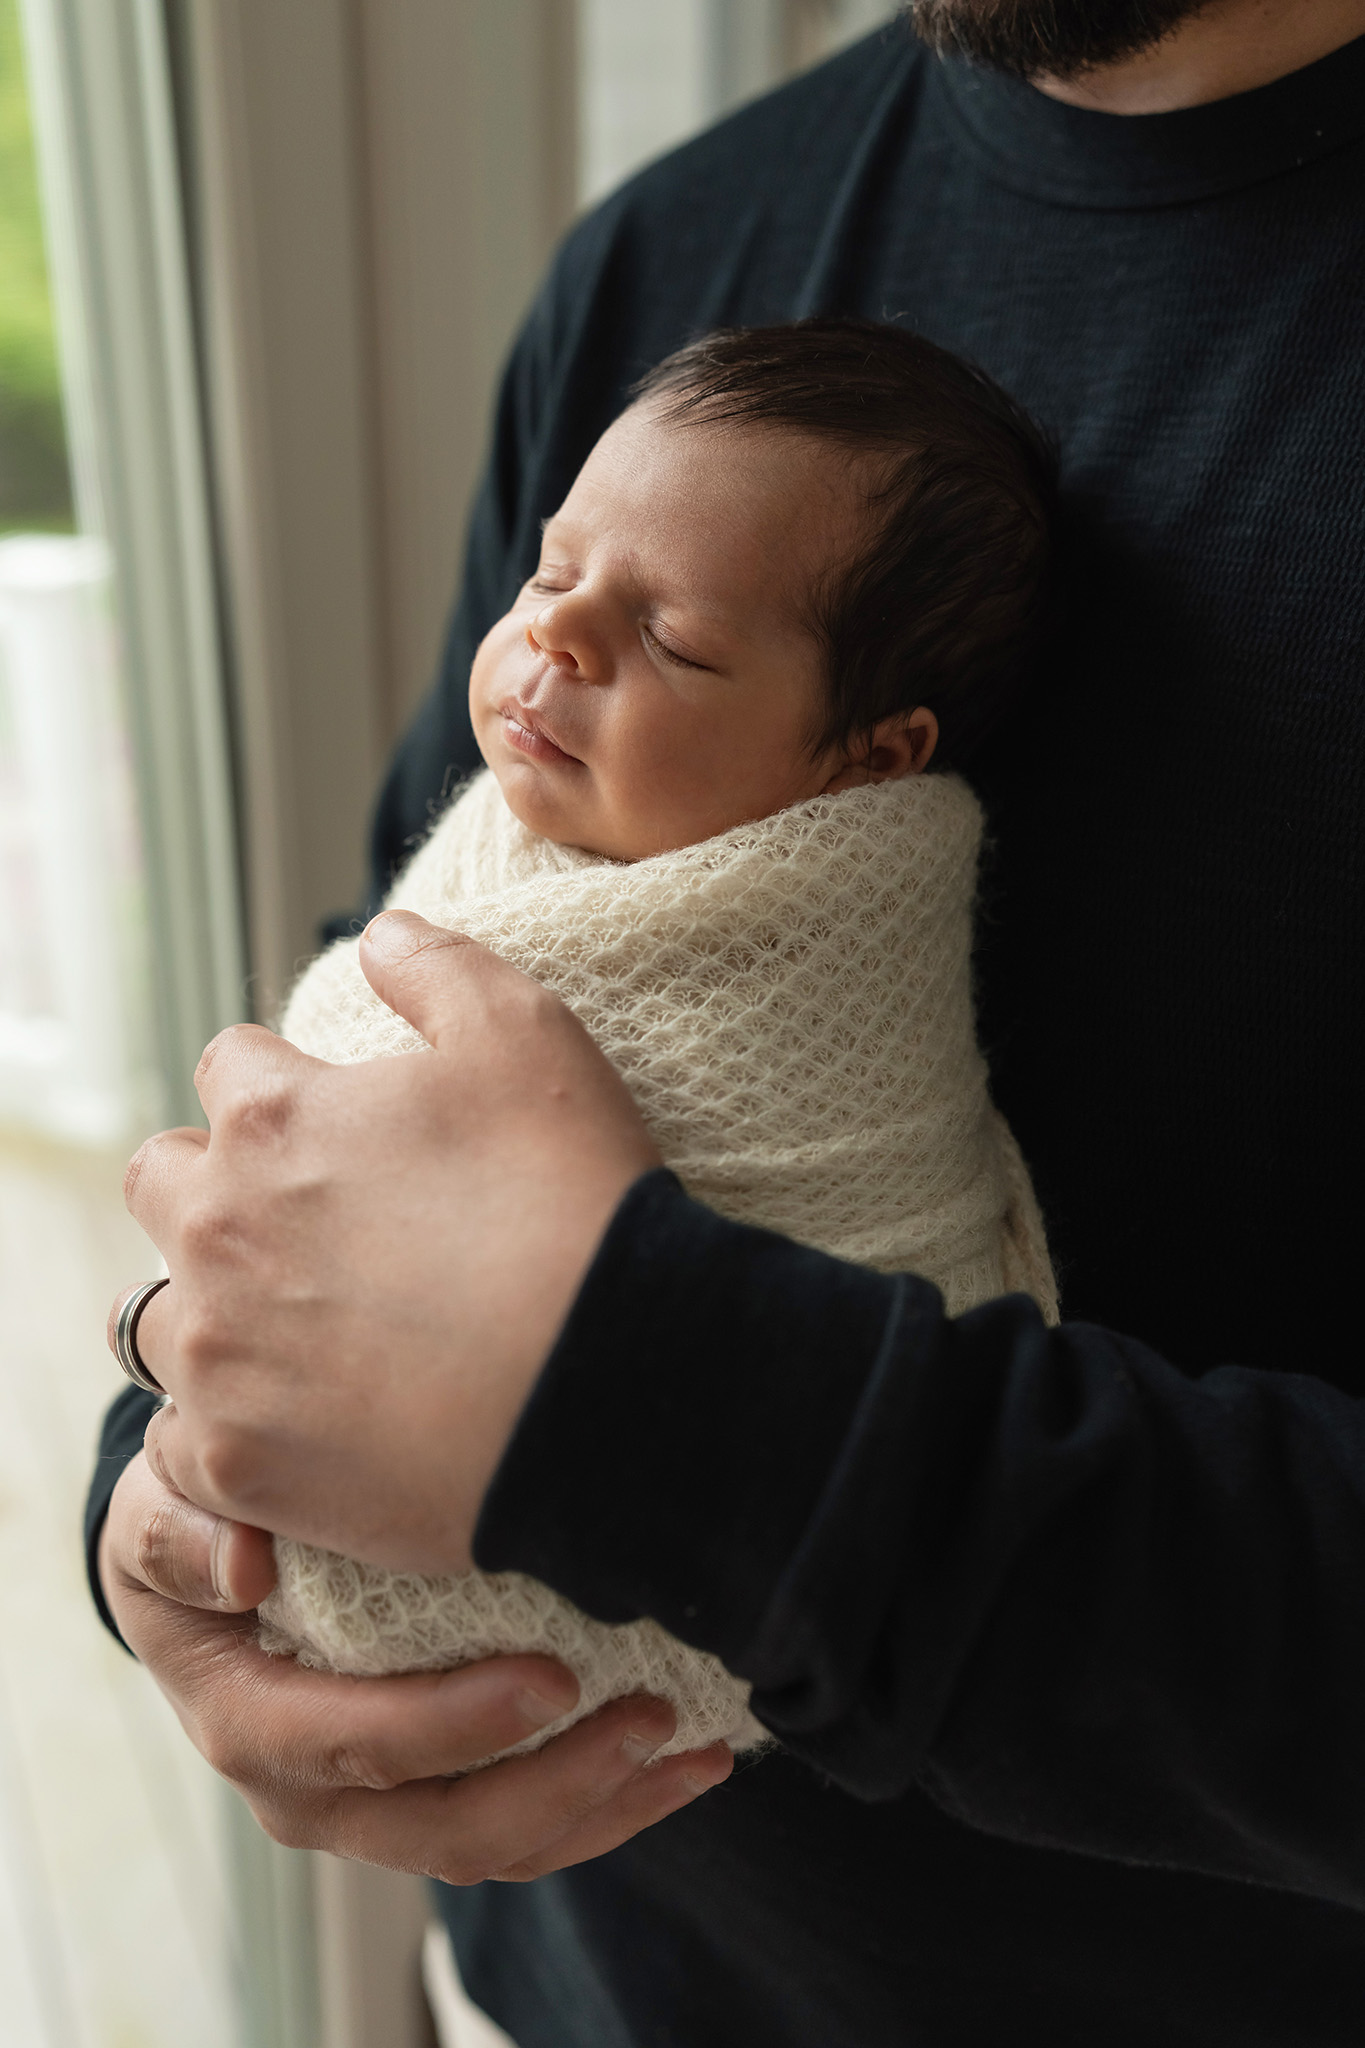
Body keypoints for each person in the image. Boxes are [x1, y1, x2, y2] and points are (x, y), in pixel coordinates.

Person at [91, 2, 1365, 2043]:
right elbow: (419, 961)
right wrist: (164, 1476)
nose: (566, 637)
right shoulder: (683, 253)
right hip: (547, 1983)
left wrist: (638, 1400)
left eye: (667, 633)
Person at [257, 321, 1057, 1721]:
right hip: (539, 1930)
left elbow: (848, 1230)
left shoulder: (823, 949)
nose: (552, 632)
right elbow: (333, 1057)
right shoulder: (507, 828)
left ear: (868, 759)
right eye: (552, 570)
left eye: (670, 639)